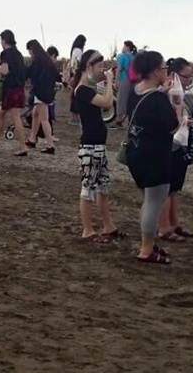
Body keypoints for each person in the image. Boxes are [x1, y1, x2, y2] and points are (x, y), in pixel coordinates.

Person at [124, 51, 178, 264]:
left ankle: (149, 242)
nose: (166, 71)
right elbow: (172, 127)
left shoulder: (134, 91)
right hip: (155, 156)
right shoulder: (158, 99)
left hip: (135, 153)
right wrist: (175, 104)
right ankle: (146, 248)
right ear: (156, 71)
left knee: (148, 201)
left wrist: (161, 93)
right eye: (164, 68)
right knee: (154, 202)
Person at [72, 50, 120, 243]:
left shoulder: (88, 88)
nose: (102, 70)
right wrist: (109, 81)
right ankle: (87, 230)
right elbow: (107, 102)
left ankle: (108, 225)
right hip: (90, 146)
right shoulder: (83, 90)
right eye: (99, 66)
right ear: (88, 66)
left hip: (97, 144)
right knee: (88, 188)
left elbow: (109, 103)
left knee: (103, 188)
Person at [158, 58, 193, 242]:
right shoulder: (168, 92)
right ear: (175, 74)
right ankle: (164, 227)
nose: (188, 80)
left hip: (181, 141)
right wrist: (182, 120)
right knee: (167, 188)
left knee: (175, 188)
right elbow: (168, 119)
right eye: (186, 76)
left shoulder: (181, 91)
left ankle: (174, 224)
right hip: (172, 142)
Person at [0, 30, 27, 156]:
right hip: (19, 87)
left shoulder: (5, 54)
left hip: (10, 88)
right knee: (1, 113)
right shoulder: (19, 54)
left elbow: (5, 72)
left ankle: (23, 146)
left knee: (15, 117)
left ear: (4, 40)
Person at [25, 39, 58, 153]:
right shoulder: (47, 61)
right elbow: (57, 75)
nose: (29, 53)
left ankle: (50, 145)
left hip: (41, 93)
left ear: (32, 50)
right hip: (47, 92)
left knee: (44, 119)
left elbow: (28, 73)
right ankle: (32, 138)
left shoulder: (38, 62)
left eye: (29, 51)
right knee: (35, 114)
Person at [114, 41, 137, 126]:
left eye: (124, 46)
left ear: (127, 47)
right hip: (134, 80)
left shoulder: (122, 56)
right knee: (130, 99)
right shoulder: (134, 57)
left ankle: (118, 120)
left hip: (124, 79)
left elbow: (119, 69)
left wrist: (116, 81)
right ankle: (128, 118)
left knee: (121, 99)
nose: (122, 47)